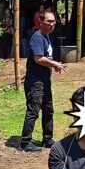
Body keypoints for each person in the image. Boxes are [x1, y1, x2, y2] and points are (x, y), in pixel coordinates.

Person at [20, 10, 65, 152]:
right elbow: (38, 58)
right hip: (36, 81)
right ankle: (25, 142)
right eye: (49, 21)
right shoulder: (38, 37)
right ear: (41, 22)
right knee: (33, 110)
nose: (52, 24)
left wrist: (52, 65)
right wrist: (54, 64)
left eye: (54, 21)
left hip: (44, 80)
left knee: (48, 109)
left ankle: (47, 139)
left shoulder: (46, 37)